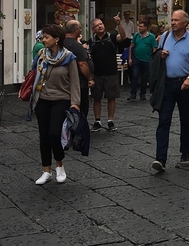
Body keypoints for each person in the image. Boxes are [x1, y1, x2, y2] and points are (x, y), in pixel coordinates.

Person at [151, 9, 189, 174]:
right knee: (163, 120)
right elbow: (156, 56)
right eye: (171, 20)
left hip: (184, 84)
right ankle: (160, 158)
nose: (172, 23)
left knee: (185, 119)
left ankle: (185, 153)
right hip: (167, 84)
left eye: (176, 20)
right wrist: (161, 55)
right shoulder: (165, 37)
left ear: (185, 23)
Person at [32, 25, 81, 185]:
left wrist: (75, 103)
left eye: (46, 37)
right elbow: (33, 73)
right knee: (43, 136)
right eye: (43, 37)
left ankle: (59, 164)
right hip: (42, 99)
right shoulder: (41, 55)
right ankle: (46, 170)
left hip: (61, 99)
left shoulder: (69, 58)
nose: (43, 40)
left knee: (55, 133)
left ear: (56, 39)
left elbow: (75, 82)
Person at [89, 15, 125, 132]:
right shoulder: (92, 42)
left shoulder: (112, 37)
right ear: (93, 29)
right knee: (97, 98)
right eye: (96, 26)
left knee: (111, 97)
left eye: (101, 24)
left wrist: (119, 24)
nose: (100, 26)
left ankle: (110, 120)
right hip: (97, 74)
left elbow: (123, 37)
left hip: (111, 73)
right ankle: (97, 120)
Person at [63, 20, 93, 116]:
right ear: (76, 30)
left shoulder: (60, 43)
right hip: (79, 83)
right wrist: (90, 78)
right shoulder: (76, 46)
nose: (81, 30)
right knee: (81, 109)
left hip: (64, 82)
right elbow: (82, 64)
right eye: (80, 28)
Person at [128, 18, 157, 101]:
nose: (139, 28)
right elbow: (131, 47)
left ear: (146, 27)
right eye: (139, 26)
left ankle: (142, 93)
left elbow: (154, 49)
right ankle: (133, 93)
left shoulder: (151, 37)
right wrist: (130, 58)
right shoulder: (136, 35)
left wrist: (153, 60)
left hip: (147, 59)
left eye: (141, 26)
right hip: (137, 58)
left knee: (145, 77)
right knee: (135, 75)